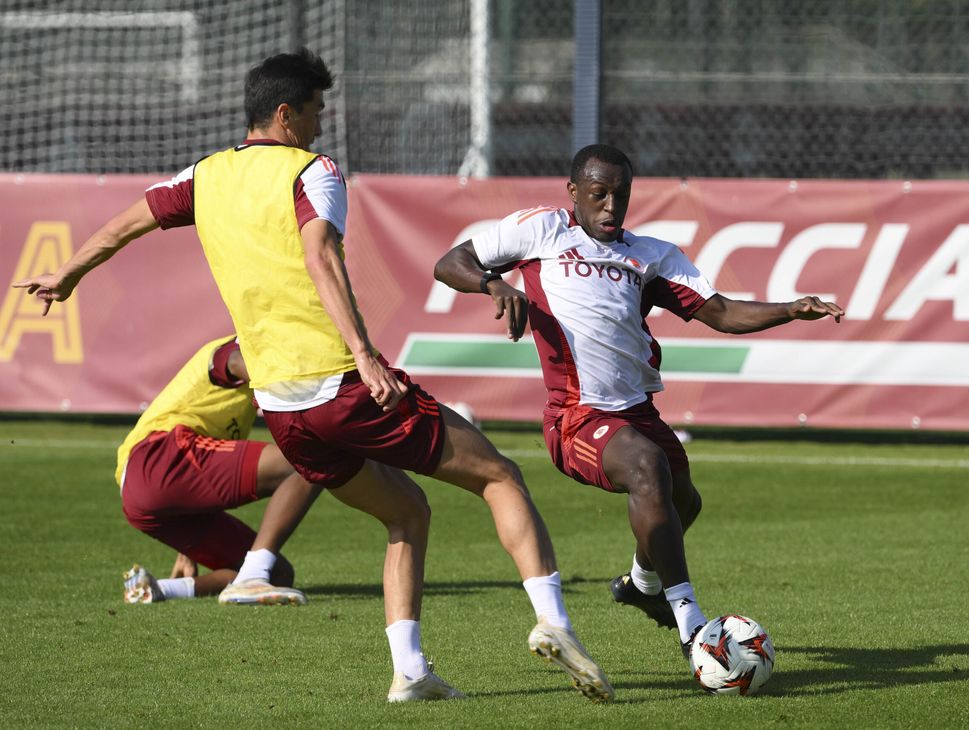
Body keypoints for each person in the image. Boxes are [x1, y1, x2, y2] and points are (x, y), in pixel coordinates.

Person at [15, 49, 611, 703]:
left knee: (407, 511)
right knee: (499, 476)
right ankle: (555, 622)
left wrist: (68, 275)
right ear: (285, 113)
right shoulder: (313, 172)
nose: (323, 123)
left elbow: (128, 223)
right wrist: (363, 352)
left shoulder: (205, 176)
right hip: (339, 383)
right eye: (317, 110)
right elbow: (320, 253)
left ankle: (410, 672)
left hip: (281, 406)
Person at [434, 143, 844, 661]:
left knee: (684, 502)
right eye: (599, 194)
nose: (610, 206)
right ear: (574, 192)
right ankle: (693, 628)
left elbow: (720, 312)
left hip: (637, 412)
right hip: (575, 416)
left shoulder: (651, 255)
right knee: (649, 469)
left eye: (620, 195)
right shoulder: (542, 230)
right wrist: (495, 285)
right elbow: (451, 262)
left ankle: (641, 584)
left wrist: (790, 308)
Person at [119, 335, 320, 606]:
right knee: (311, 461)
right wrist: (290, 386)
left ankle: (159, 589)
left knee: (278, 573)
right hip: (160, 456)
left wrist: (187, 549)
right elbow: (232, 361)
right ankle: (252, 577)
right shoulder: (242, 346)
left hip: (145, 493)